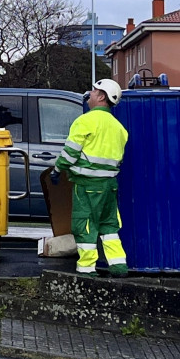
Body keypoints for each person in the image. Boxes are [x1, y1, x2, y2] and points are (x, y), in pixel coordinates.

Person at [51, 78, 129, 277]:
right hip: (110, 186)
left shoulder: (85, 121)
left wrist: (58, 169)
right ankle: (118, 266)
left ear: (101, 96)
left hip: (86, 185)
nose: (89, 94)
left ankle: (86, 269)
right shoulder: (119, 128)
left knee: (84, 225)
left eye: (93, 91)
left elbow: (70, 153)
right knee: (109, 226)